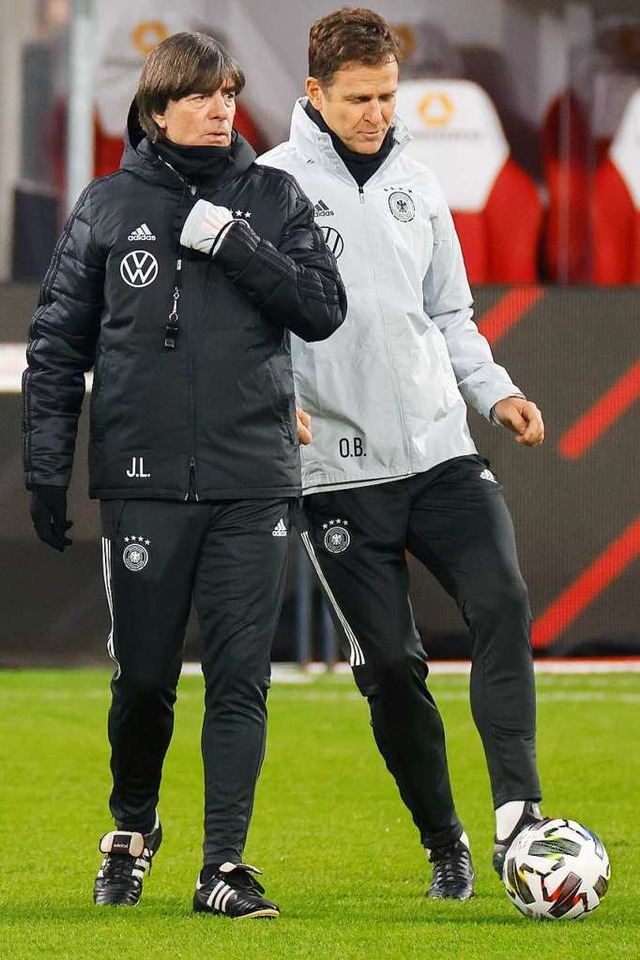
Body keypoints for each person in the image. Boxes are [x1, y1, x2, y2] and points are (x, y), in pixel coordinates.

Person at [22, 31, 345, 918]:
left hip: (253, 482)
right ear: (156, 110)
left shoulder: (274, 200)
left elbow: (322, 310)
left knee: (242, 680)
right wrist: (47, 470)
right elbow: (56, 348)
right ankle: (132, 828)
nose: (219, 110)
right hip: (144, 484)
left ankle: (225, 867)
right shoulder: (104, 206)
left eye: (229, 95)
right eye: (200, 97)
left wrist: (236, 244)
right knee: (145, 685)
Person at [260, 7, 545, 900]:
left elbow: (450, 315)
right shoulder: (265, 188)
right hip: (341, 472)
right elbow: (248, 325)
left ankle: (519, 815)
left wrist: (493, 391)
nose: (378, 112)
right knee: (390, 668)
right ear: (315, 93)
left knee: (501, 598)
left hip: (441, 451)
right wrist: (277, 403)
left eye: (388, 96)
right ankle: (444, 840)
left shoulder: (419, 184)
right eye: (358, 99)